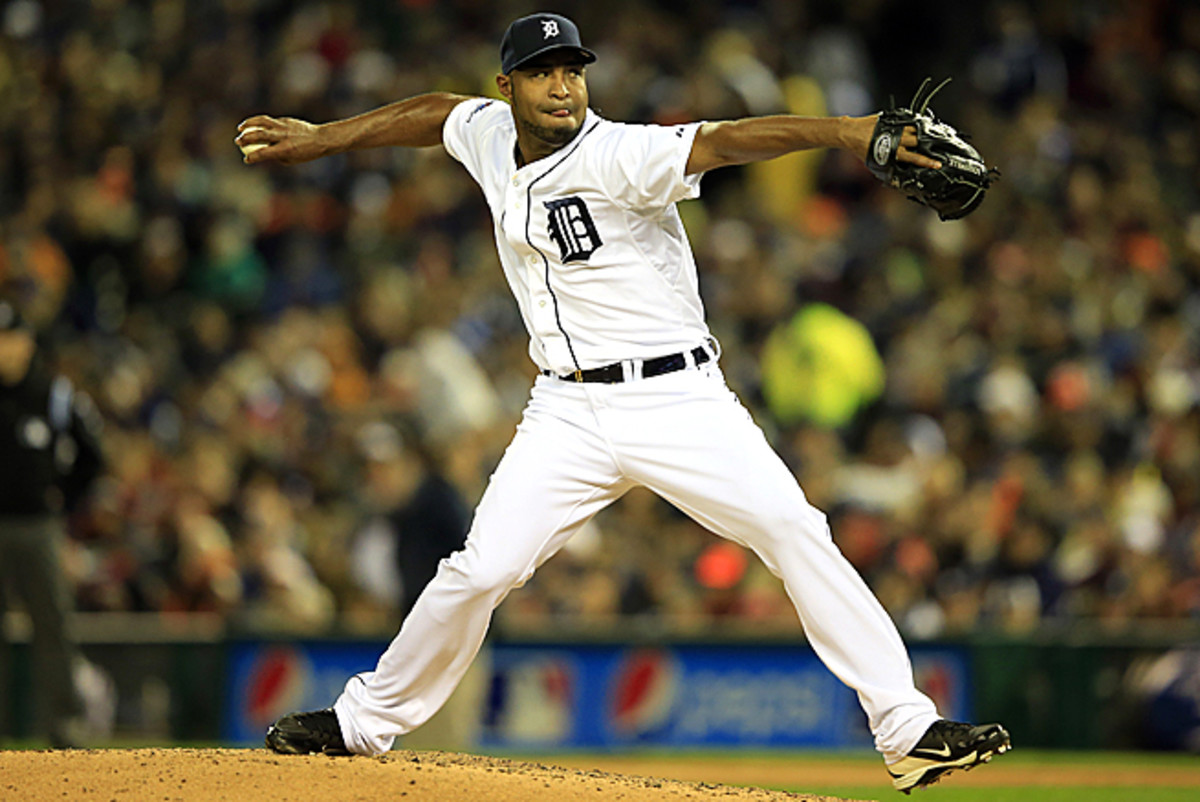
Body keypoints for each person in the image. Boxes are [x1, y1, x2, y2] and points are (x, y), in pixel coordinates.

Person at [239, 12, 1010, 792]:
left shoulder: (621, 152)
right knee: (479, 570)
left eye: (572, 69)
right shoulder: (486, 132)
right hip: (565, 412)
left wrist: (847, 132)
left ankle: (906, 729)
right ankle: (362, 723)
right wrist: (324, 136)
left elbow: (728, 138)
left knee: (791, 527)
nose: (562, 85)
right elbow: (437, 113)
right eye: (542, 71)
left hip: (676, 398)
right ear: (507, 87)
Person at [0, 299, 104, 748]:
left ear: (26, 343)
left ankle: (65, 728)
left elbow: (92, 457)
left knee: (53, 627)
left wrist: (64, 498)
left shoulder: (52, 394)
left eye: (10, 338)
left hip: (37, 525)